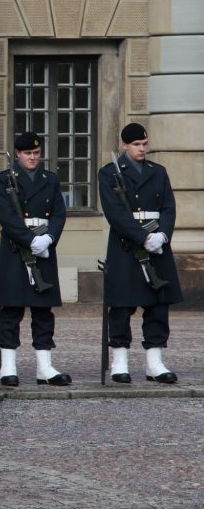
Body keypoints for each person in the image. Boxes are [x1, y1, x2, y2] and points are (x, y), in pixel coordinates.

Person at [100, 123, 182, 384]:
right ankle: (119, 361)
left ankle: (154, 362)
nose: (142, 149)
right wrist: (142, 236)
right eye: (136, 145)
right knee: (122, 306)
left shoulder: (158, 172)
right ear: (125, 145)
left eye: (144, 144)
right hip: (126, 246)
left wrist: (162, 235)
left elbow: (168, 207)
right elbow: (115, 213)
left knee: (157, 305)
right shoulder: (109, 173)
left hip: (157, 245)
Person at [0, 132, 71, 387]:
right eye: (28, 154)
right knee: (11, 310)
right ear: (17, 154)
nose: (33, 158)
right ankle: (7, 367)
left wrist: (48, 238)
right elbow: (6, 217)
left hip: (44, 248)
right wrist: (30, 240)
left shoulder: (51, 179)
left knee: (43, 311)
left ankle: (44, 367)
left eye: (36, 153)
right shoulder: (3, 180)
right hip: (16, 249)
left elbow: (59, 213)